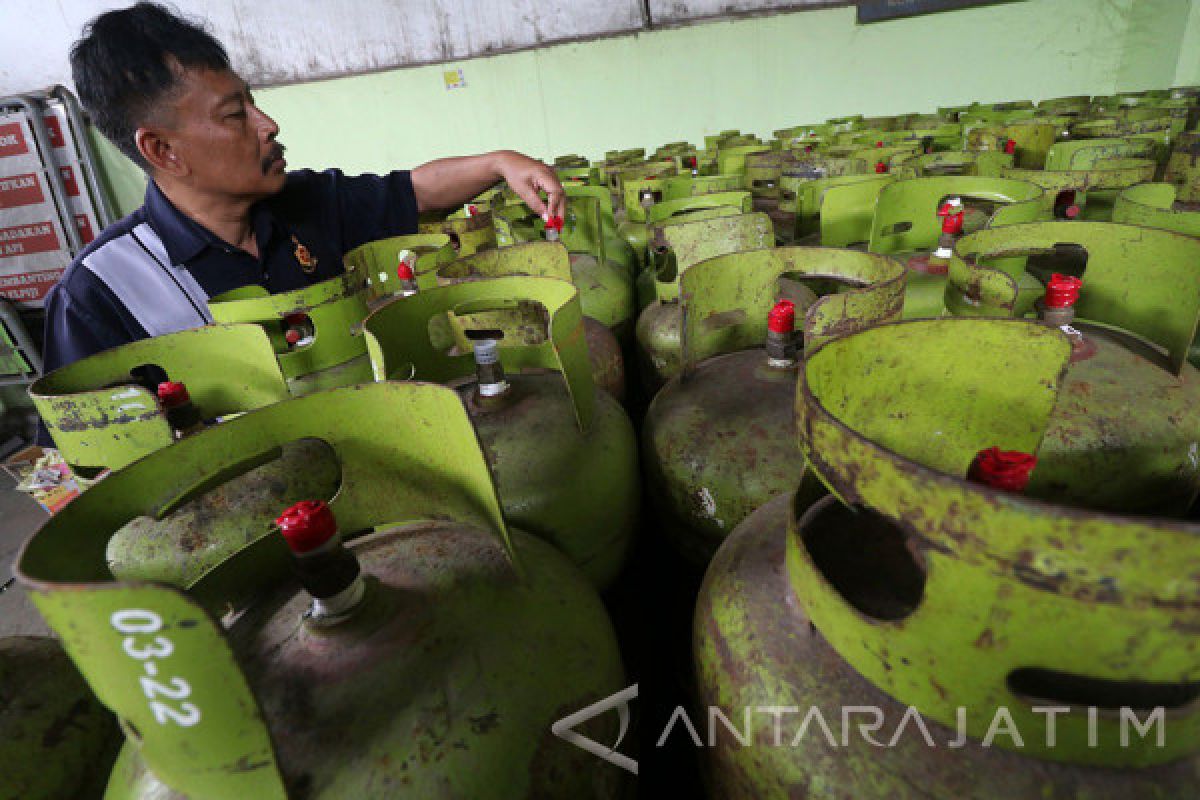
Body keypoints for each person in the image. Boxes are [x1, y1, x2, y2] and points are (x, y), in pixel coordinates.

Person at [43, 1, 565, 372]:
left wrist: (500, 162)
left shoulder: (308, 203)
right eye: (234, 115)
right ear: (162, 150)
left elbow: (417, 190)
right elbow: (78, 469)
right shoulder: (100, 293)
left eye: (253, 101)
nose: (267, 123)